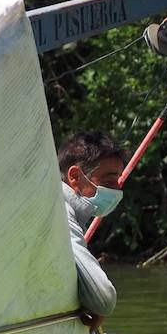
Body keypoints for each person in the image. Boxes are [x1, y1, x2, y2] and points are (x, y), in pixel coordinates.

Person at [58, 132, 123, 319]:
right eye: (109, 180)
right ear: (75, 176)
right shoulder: (59, 212)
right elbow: (103, 299)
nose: (117, 189)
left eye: (118, 181)